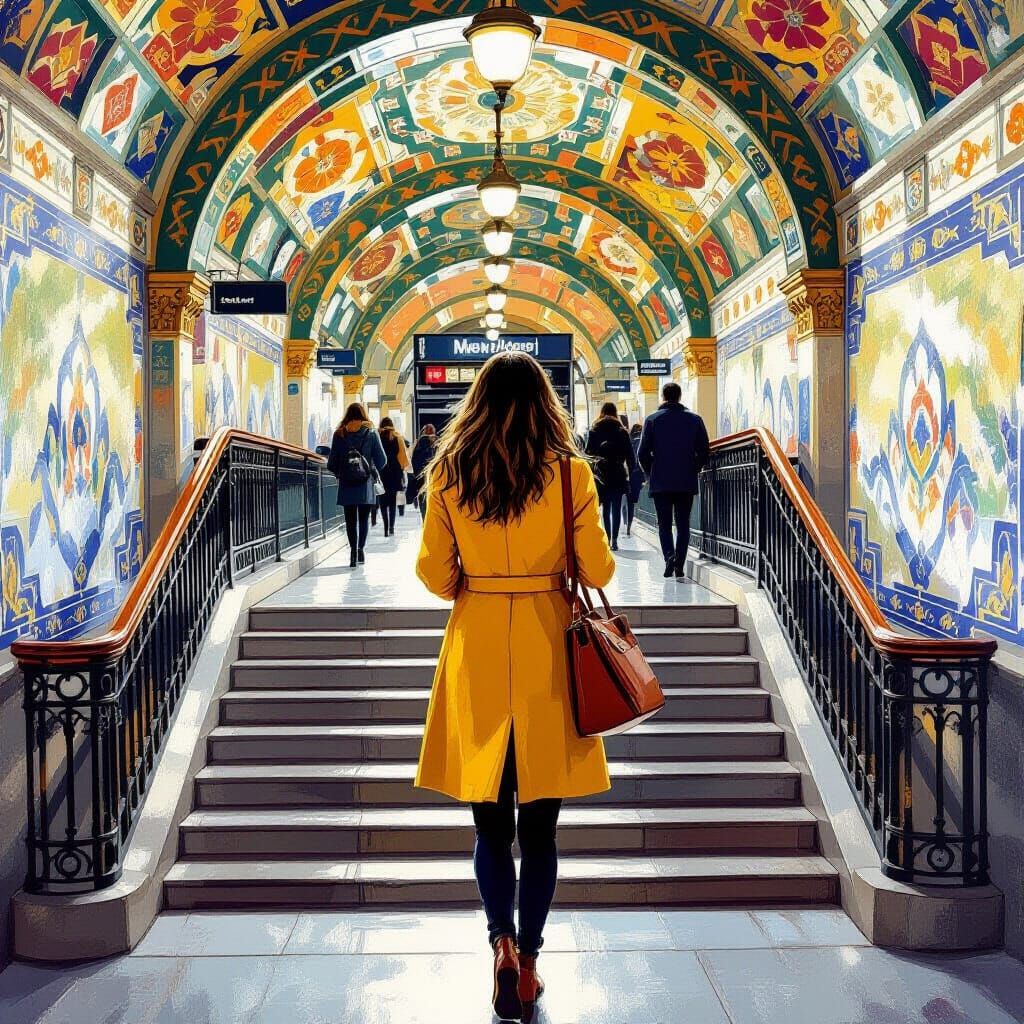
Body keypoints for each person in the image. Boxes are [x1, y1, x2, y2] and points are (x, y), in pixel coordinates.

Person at [416, 351, 614, 1022]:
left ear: (475, 401)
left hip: (476, 646)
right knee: (543, 828)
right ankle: (530, 961)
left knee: (488, 821)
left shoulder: (448, 472)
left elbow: (436, 578)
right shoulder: (570, 475)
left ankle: (497, 943)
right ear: (546, 403)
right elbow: (599, 565)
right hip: (548, 646)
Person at [637, 381, 710, 579]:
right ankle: (679, 563)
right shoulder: (695, 420)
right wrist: (693, 468)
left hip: (661, 481)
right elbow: (704, 451)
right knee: (683, 523)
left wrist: (650, 473)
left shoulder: (652, 420)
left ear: (663, 396)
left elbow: (642, 453)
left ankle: (669, 556)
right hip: (685, 481)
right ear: (679, 397)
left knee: (664, 523)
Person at [327, 403, 387, 567]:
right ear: (363, 415)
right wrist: (370, 466)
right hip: (365, 483)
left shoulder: (339, 434)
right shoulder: (371, 434)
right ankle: (361, 549)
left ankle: (352, 552)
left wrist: (342, 471)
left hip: (346, 483)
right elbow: (382, 461)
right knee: (363, 518)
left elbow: (331, 463)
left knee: (350, 520)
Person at [584, 401, 636, 551]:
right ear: (615, 413)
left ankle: (607, 538)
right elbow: (630, 456)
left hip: (602, 473)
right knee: (617, 506)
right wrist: (631, 473)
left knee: (605, 507)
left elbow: (588, 453)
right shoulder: (621, 431)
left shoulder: (595, 430)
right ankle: (614, 540)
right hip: (618, 472)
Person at [377, 416, 410, 537]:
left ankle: (385, 527)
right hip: (395, 473)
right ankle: (391, 527)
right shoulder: (398, 438)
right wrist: (402, 470)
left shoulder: (378, 437)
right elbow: (402, 457)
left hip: (382, 472)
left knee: (382, 501)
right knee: (392, 502)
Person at [409, 423, 437, 518]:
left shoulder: (418, 443)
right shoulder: (437, 442)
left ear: (423, 432)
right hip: (434, 477)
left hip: (420, 477)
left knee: (422, 500)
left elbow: (413, 461)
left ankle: (424, 520)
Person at [625, 422, 644, 536]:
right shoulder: (641, 442)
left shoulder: (629, 442)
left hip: (628, 475)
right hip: (638, 475)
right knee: (634, 501)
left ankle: (628, 524)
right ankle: (629, 525)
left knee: (628, 502)